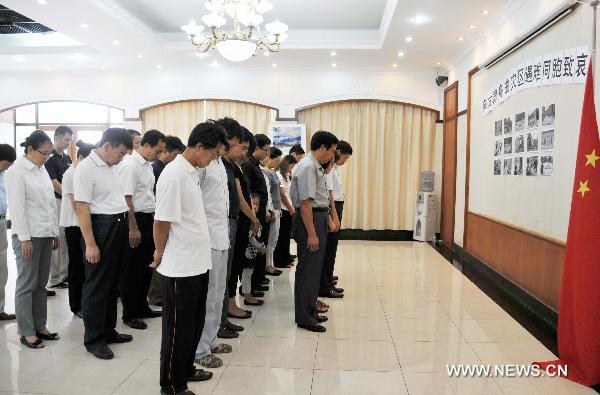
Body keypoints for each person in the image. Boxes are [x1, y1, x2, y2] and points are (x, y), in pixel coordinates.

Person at [153, 122, 228, 395]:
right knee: (177, 331)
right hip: (180, 266)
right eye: (213, 154)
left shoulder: (193, 171)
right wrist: (159, 252)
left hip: (198, 262)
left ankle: (185, 369)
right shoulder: (174, 174)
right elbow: (161, 221)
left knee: (193, 325)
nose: (212, 161)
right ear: (199, 147)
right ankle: (172, 385)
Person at [74, 128, 134, 360]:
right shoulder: (86, 169)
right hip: (100, 228)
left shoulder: (112, 167)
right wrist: (90, 243)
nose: (121, 158)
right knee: (97, 286)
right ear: (107, 146)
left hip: (117, 226)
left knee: (112, 284)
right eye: (120, 153)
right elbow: (82, 207)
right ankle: (94, 339)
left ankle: (108, 330)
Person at [6, 131, 61, 348]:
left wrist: (54, 231)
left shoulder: (41, 169)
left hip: (45, 233)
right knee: (26, 284)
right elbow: (17, 208)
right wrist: (25, 239)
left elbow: (49, 202)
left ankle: (40, 325)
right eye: (44, 153)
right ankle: (26, 331)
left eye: (49, 154)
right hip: (28, 236)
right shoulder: (17, 172)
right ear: (30, 150)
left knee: (40, 284)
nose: (47, 157)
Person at [194, 119, 237, 369]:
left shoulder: (221, 163)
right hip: (206, 237)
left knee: (219, 292)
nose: (226, 149)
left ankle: (211, 340)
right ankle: (200, 349)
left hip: (222, 236)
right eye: (225, 144)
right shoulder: (203, 164)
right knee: (207, 295)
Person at [290, 130, 338, 333]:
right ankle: (304, 317)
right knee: (307, 271)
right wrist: (311, 233)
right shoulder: (308, 167)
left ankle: (310, 311)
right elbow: (306, 204)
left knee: (313, 270)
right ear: (322, 148)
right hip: (309, 220)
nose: (332, 157)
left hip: (317, 218)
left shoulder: (314, 166)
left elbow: (319, 199)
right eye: (332, 151)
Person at [119, 129, 166, 330]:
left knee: (146, 266)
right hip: (135, 219)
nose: (160, 153)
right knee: (132, 269)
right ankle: (130, 313)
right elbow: (127, 197)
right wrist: (133, 228)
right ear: (145, 145)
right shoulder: (130, 165)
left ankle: (142, 306)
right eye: (158, 149)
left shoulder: (147, 165)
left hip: (148, 217)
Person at [218, 119, 252, 338]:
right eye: (241, 145)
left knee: (226, 274)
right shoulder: (213, 164)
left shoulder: (228, 165)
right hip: (219, 224)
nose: (241, 151)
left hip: (229, 221)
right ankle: (218, 323)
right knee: (219, 279)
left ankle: (222, 319)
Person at [148, 135, 185, 307]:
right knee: (159, 256)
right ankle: (156, 296)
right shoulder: (159, 169)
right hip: (159, 218)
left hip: (162, 217)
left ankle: (160, 294)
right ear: (167, 151)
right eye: (177, 153)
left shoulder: (165, 167)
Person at [227, 128, 262, 314]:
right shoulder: (230, 167)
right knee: (232, 267)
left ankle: (231, 305)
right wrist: (253, 217)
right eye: (242, 147)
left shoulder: (237, 167)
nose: (244, 152)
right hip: (236, 220)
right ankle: (230, 306)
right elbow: (240, 199)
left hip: (240, 221)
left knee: (236, 263)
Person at [61, 140, 95, 318]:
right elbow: (76, 204)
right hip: (74, 225)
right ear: (80, 157)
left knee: (84, 267)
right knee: (76, 266)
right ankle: (76, 305)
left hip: (82, 224)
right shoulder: (71, 173)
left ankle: (85, 301)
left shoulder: (83, 171)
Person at [320, 141, 353, 298]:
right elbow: (329, 194)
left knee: (332, 249)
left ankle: (328, 279)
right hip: (332, 208)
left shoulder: (335, 168)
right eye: (345, 157)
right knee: (328, 249)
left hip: (336, 206)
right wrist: (333, 215)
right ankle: (325, 285)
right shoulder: (328, 168)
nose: (345, 160)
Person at [241, 134, 271, 296]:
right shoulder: (248, 166)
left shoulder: (256, 165)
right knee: (252, 251)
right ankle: (249, 287)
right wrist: (255, 213)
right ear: (257, 148)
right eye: (265, 150)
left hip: (260, 212)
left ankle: (256, 283)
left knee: (260, 247)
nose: (267, 154)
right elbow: (250, 193)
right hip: (254, 214)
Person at [46, 125, 73, 289]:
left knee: (65, 239)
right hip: (58, 201)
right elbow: (54, 182)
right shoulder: (50, 158)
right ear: (57, 138)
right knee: (57, 239)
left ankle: (64, 275)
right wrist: (69, 196)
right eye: (66, 140)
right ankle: (55, 278)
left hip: (66, 201)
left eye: (70, 140)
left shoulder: (67, 157)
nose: (68, 143)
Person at [0, 144, 16, 321]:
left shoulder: (4, 176)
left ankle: (0, 308)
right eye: (6, 164)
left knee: (2, 268)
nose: (8, 167)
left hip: (2, 221)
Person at [273, 155, 297, 269]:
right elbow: (282, 194)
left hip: (289, 208)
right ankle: (279, 260)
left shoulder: (287, 175)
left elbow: (289, 193)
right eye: (291, 166)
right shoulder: (278, 174)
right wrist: (290, 207)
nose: (291, 169)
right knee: (282, 236)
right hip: (283, 208)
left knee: (286, 236)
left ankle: (286, 257)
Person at [263, 147, 283, 275]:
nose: (277, 164)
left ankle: (271, 263)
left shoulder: (273, 172)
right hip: (272, 209)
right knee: (270, 238)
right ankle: (267, 265)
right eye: (276, 161)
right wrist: (270, 210)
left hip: (277, 208)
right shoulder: (265, 173)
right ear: (269, 158)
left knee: (275, 238)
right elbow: (268, 194)